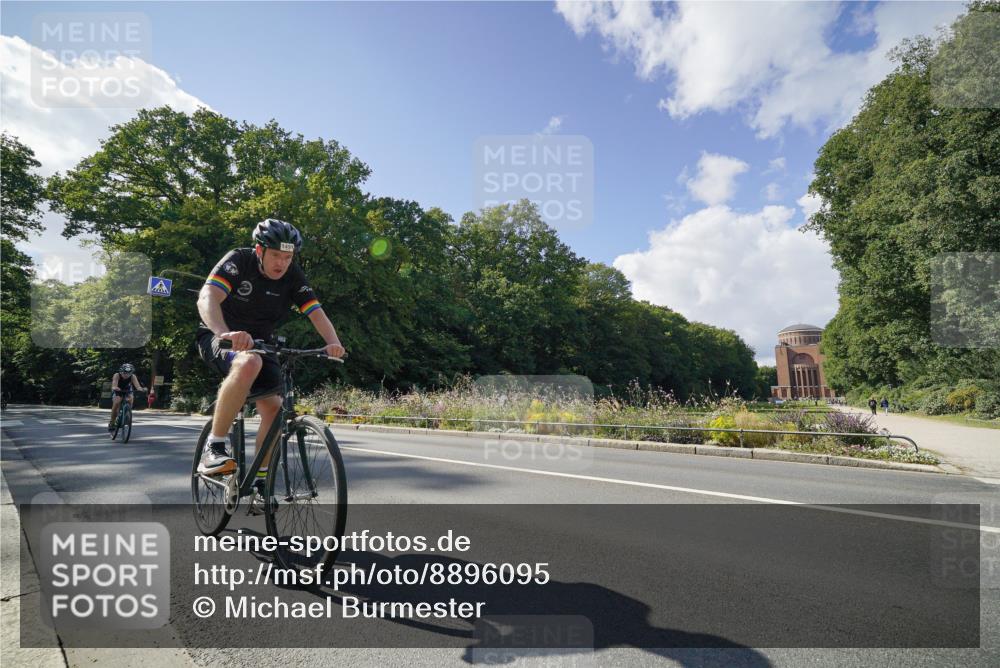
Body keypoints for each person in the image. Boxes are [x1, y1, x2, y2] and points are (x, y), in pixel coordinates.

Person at [195, 219, 345, 502]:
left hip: (263, 345)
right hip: (219, 336)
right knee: (248, 363)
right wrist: (222, 331)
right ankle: (213, 448)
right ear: (259, 250)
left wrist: (333, 342)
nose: (282, 263)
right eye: (276, 255)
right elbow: (207, 297)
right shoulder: (239, 261)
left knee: (275, 409)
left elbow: (315, 311)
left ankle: (261, 481)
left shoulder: (292, 276)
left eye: (288, 257)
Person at [108, 363, 146, 431]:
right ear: (121, 371)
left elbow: (137, 386)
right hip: (118, 389)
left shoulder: (133, 376)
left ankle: (127, 412)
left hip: (127, 389)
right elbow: (114, 384)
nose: (126, 375)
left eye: (129, 373)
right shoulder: (117, 375)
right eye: (124, 373)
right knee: (117, 402)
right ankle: (112, 422)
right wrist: (115, 387)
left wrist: (141, 389)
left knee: (130, 397)